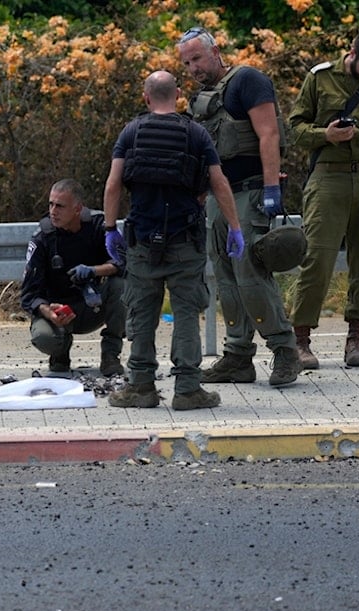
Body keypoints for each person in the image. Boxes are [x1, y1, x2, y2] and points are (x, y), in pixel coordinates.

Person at [103, 70, 245, 410]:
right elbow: (219, 182)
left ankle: (140, 387)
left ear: (146, 97)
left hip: (141, 242)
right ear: (179, 94)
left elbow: (113, 185)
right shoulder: (195, 133)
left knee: (142, 312)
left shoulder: (131, 131)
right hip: (185, 240)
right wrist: (235, 227)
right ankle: (188, 389)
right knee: (184, 314)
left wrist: (110, 229)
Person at [177, 26, 302, 387]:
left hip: (249, 193)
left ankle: (284, 350)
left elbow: (269, 134)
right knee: (225, 277)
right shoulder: (203, 96)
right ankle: (237, 357)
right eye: (187, 63)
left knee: (250, 273)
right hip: (219, 198)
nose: (193, 68)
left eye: (197, 58)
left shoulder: (247, 80)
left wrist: (271, 186)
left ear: (216, 51)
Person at [287, 30, 359, 367]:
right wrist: (327, 134)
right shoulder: (320, 78)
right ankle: (301, 341)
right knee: (317, 260)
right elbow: (294, 130)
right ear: (351, 52)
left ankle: (356, 339)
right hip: (329, 176)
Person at [20, 178, 126, 377]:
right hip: (59, 312)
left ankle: (111, 355)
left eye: (60, 206)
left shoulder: (99, 225)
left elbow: (124, 263)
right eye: (51, 204)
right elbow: (28, 295)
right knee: (44, 337)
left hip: (92, 305)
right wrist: (47, 310)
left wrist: (94, 271)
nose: (53, 211)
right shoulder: (42, 238)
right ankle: (60, 354)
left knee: (121, 286)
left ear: (77, 209)